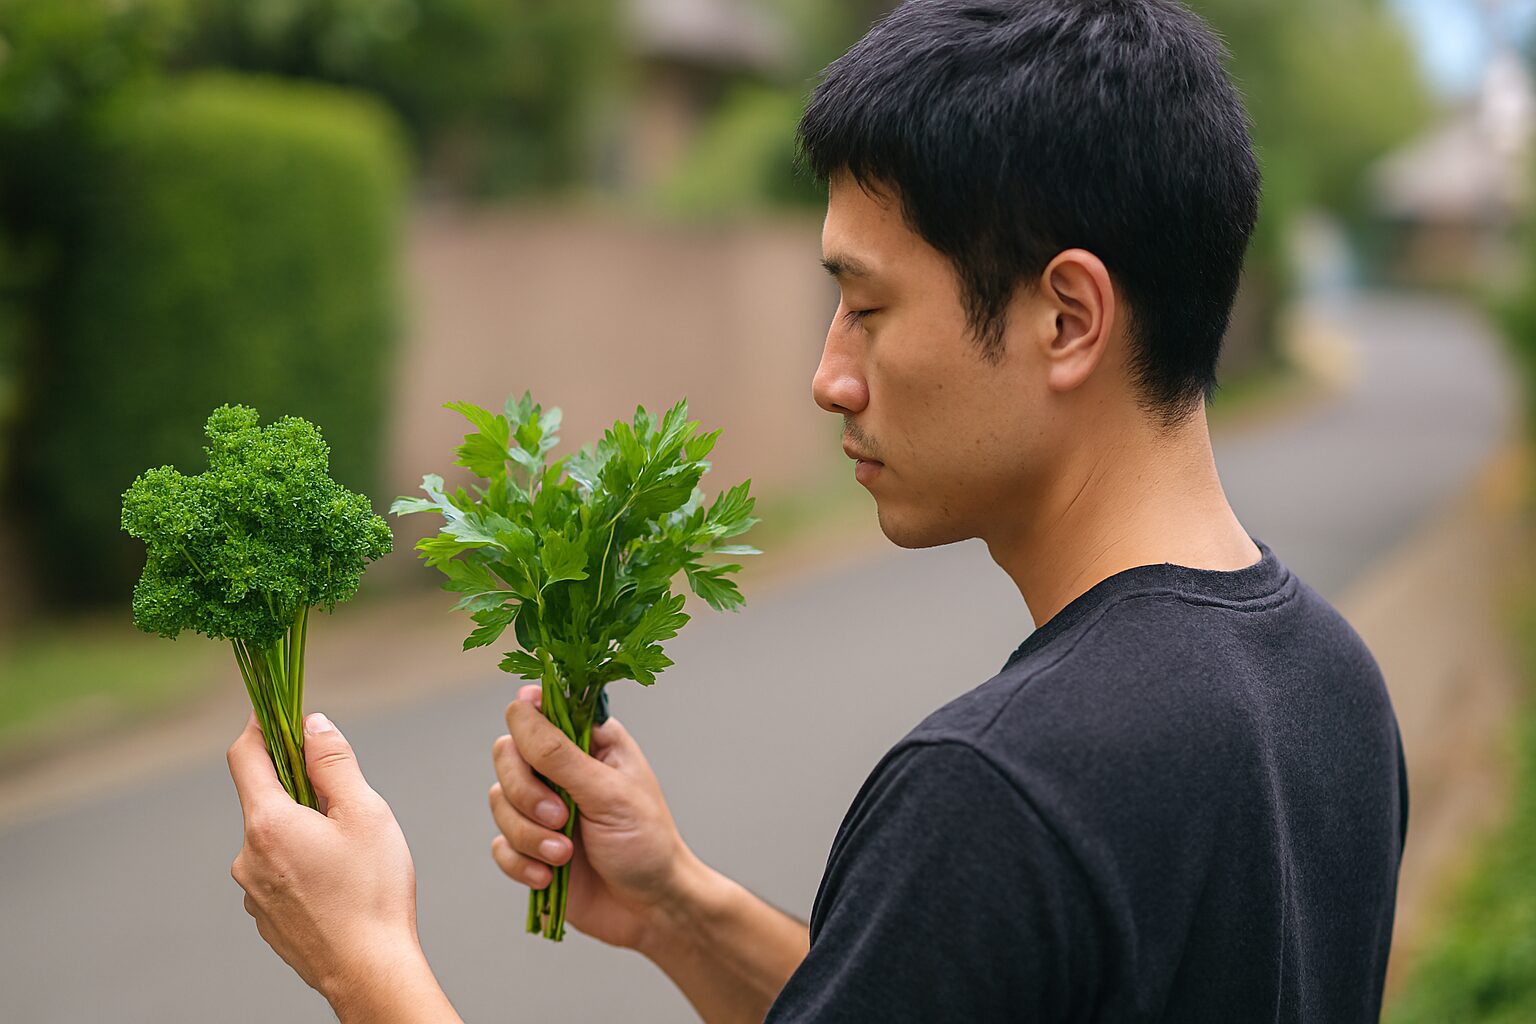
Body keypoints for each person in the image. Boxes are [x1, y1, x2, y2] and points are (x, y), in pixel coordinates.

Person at [226, 0, 1408, 1020]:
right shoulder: (1329, 681)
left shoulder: (995, 794)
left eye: (868, 306)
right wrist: (676, 908)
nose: (829, 374)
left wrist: (365, 961)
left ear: (1068, 318)